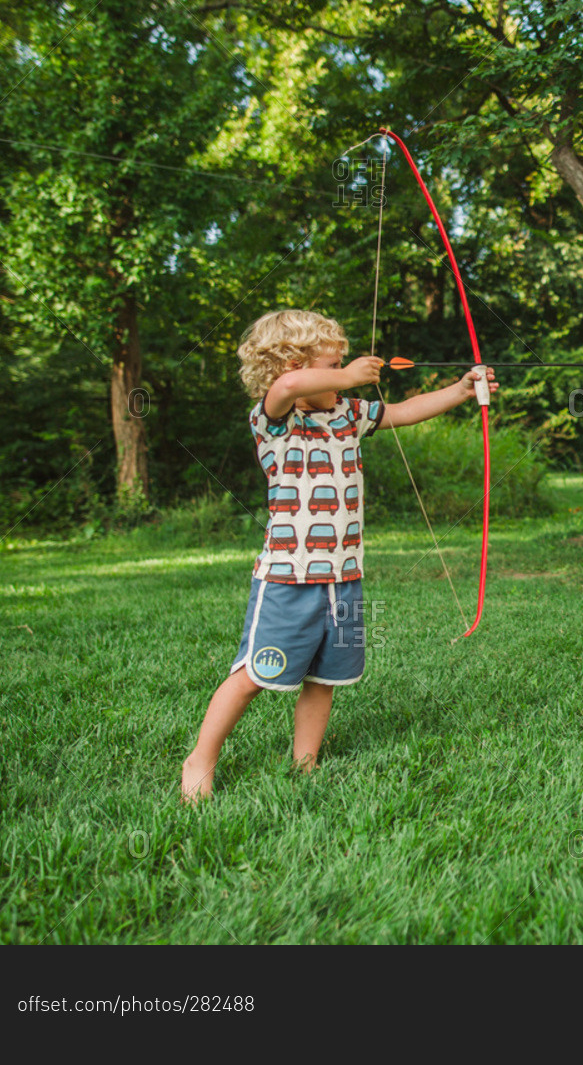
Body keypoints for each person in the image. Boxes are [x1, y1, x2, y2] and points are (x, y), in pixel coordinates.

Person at [181, 308, 496, 802]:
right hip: (288, 578)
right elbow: (286, 388)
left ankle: (304, 765)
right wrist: (344, 376)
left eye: (344, 367)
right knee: (252, 676)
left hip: (344, 577)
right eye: (334, 367)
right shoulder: (275, 419)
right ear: (294, 365)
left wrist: (460, 390)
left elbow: (403, 410)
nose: (345, 375)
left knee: (325, 676)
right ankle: (201, 758)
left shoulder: (348, 414)